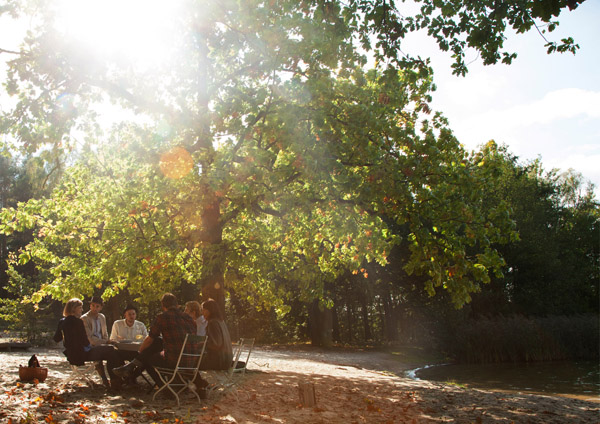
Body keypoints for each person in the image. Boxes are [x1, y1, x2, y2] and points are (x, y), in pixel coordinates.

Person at [113, 293, 196, 386]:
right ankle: (131, 369)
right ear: (176, 304)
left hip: (174, 360)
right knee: (158, 341)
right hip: (192, 360)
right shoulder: (188, 318)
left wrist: (140, 352)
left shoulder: (163, 317)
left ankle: (161, 385)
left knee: (147, 357)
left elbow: (150, 339)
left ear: (163, 305)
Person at [53, 298, 124, 389]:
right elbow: (85, 341)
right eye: (80, 308)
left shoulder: (62, 322)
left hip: (71, 354)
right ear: (74, 309)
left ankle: (112, 380)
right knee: (111, 350)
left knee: (110, 350)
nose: (82, 310)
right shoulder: (79, 322)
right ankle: (115, 380)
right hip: (82, 353)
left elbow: (56, 338)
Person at [80, 295, 111, 383]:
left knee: (114, 352)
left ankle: (115, 379)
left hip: (103, 344)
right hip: (90, 346)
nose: (95, 308)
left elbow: (105, 333)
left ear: (101, 307)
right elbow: (90, 338)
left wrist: (106, 342)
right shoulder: (84, 318)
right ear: (90, 306)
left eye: (97, 306)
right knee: (106, 351)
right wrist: (106, 342)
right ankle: (104, 379)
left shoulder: (102, 317)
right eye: (93, 305)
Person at [200, 299, 233, 370]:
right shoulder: (221, 322)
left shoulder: (213, 323)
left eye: (204, 310)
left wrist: (201, 344)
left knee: (191, 363)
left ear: (210, 310)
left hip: (219, 361)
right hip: (227, 360)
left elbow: (216, 344)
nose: (202, 313)